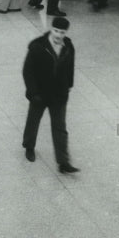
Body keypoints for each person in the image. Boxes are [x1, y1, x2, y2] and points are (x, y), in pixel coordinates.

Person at [22, 17, 78, 173]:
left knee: (60, 127)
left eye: (62, 32)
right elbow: (28, 72)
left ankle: (63, 162)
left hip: (59, 95)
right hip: (40, 94)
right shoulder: (37, 47)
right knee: (33, 121)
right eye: (56, 31)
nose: (58, 35)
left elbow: (70, 67)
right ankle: (29, 146)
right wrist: (33, 93)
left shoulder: (68, 46)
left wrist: (69, 85)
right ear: (51, 29)